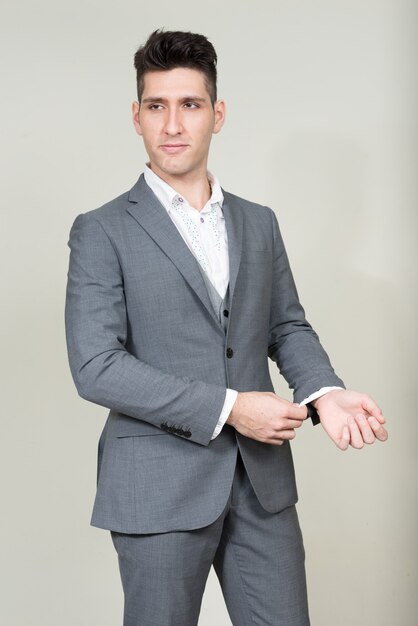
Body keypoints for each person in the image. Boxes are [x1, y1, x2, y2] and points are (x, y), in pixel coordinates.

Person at [65, 29, 388, 626]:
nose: (173, 125)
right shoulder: (101, 229)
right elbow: (95, 365)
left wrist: (324, 391)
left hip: (262, 486)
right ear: (136, 117)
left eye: (189, 105)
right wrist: (233, 407)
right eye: (156, 107)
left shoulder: (258, 223)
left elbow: (287, 326)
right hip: (156, 485)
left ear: (218, 114)